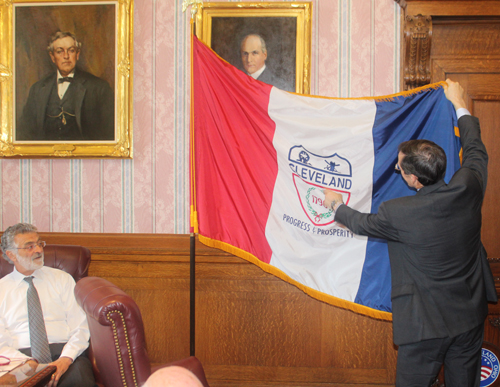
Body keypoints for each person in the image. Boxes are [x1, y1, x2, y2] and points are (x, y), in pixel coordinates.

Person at [323, 79, 497, 386]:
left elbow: (362, 223)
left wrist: (335, 206)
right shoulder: (469, 185)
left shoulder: (398, 213)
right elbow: (474, 148)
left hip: (424, 329)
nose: (395, 170)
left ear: (414, 179)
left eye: (400, 168)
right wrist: (459, 103)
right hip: (470, 319)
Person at [0, 223, 95, 387]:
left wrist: (66, 358)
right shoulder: (2, 290)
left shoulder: (62, 279)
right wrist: (28, 364)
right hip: (19, 358)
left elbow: (81, 327)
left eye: (39, 243)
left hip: (64, 352)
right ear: (11, 255)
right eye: (29, 247)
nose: (38, 250)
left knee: (79, 382)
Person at [16, 31, 114, 141]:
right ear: (52, 57)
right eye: (59, 51)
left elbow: (109, 135)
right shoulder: (37, 89)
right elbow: (24, 133)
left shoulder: (99, 88)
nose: (66, 56)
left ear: (77, 54)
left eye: (71, 51)